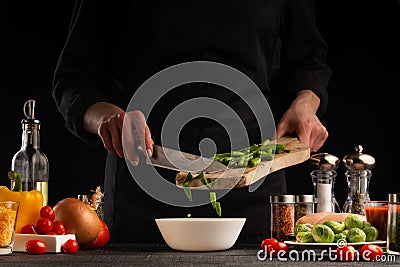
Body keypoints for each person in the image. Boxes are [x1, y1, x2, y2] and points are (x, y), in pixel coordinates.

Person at [52, 0, 331, 244]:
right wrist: (106, 117)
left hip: (253, 187)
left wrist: (305, 104)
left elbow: (308, 61)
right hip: (145, 185)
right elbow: (73, 80)